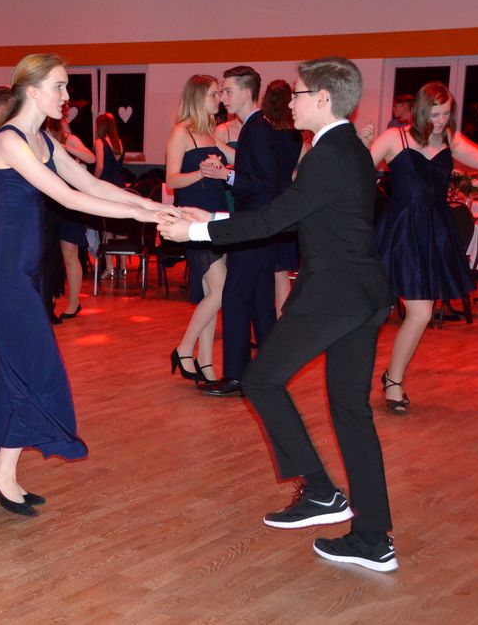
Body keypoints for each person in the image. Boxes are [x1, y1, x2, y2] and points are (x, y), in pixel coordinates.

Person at [160, 56, 398, 573]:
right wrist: (214, 215)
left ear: (323, 99)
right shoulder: (344, 149)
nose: (290, 101)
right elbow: (293, 216)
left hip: (335, 296)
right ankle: (373, 537)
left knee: (262, 380)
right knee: (351, 411)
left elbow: (275, 218)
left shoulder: (329, 154)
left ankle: (320, 490)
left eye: (298, 92)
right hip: (362, 294)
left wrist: (197, 231)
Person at [0, 54, 177, 516]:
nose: (67, 97)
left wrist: (152, 208)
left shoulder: (43, 140)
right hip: (7, 273)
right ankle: (3, 474)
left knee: (12, 369)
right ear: (32, 90)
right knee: (36, 366)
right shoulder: (9, 141)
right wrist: (142, 215)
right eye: (60, 87)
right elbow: (67, 197)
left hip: (29, 270)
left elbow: (89, 182)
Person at [369, 82, 478, 412]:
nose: (440, 121)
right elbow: (359, 171)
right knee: (387, 311)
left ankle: (393, 378)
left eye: (446, 113)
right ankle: (385, 378)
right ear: (422, 111)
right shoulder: (396, 137)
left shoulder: (450, 138)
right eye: (434, 114)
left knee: (420, 313)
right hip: (400, 231)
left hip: (433, 232)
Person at [198, 65, 281, 397]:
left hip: (254, 223)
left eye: (228, 91)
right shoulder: (258, 126)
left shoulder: (257, 129)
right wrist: (231, 171)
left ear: (247, 92)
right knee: (260, 299)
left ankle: (236, 375)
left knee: (234, 295)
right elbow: (263, 177)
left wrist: (226, 176)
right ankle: (267, 374)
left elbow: (266, 183)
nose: (223, 97)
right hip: (261, 224)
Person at [164, 75, 233, 383]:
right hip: (193, 218)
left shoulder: (210, 133)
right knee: (220, 290)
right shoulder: (181, 132)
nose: (219, 99)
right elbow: (171, 180)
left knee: (211, 293)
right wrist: (201, 173)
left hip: (216, 214)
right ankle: (184, 348)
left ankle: (206, 362)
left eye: (220, 93)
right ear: (197, 97)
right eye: (213, 94)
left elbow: (238, 158)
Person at [261, 80, 307, 316]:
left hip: (265, 197)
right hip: (287, 199)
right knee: (281, 272)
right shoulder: (296, 136)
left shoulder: (263, 132)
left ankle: (264, 320)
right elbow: (301, 171)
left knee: (262, 268)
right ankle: (282, 321)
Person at [44, 115, 95, 320]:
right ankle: (48, 299)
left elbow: (91, 158)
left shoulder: (69, 139)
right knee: (48, 254)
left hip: (70, 203)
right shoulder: (39, 137)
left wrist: (63, 147)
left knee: (70, 253)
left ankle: (73, 303)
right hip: (49, 203)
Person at [93, 112, 125, 187]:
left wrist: (93, 181)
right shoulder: (119, 142)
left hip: (106, 184)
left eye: (97, 126)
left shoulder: (99, 142)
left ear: (100, 127)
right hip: (119, 183)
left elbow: (100, 167)